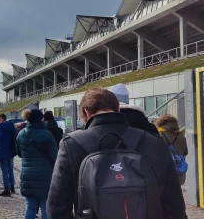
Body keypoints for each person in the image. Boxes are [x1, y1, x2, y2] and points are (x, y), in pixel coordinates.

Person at [47, 87, 187, 219]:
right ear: (118, 109)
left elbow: (56, 207)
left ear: (86, 112)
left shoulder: (72, 145)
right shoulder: (154, 142)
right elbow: (174, 205)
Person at [17, 109, 58, 219]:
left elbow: (19, 153)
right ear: (41, 118)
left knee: (30, 206)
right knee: (45, 207)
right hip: (45, 174)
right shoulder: (47, 135)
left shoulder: (21, 134)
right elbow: (55, 156)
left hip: (27, 174)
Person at [156, 114, 188, 185]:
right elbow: (185, 152)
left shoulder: (158, 134)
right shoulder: (181, 135)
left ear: (160, 122)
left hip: (164, 171)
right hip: (179, 171)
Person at [0, 114, 17, 196]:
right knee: (10, 170)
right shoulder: (12, 127)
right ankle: (12, 187)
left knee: (4, 171)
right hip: (11, 151)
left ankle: (7, 189)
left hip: (2, 152)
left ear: (1, 119)